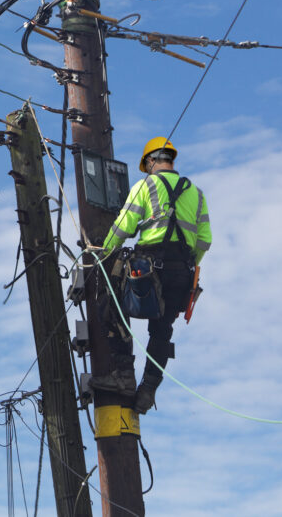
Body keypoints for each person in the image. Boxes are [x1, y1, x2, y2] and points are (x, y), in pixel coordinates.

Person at [94, 136, 212, 414]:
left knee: (111, 303)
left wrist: (102, 253)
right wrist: (187, 264)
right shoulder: (196, 192)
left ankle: (123, 375)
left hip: (148, 268)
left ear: (150, 162)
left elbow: (124, 225)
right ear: (171, 159)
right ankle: (148, 389)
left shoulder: (146, 185)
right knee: (162, 330)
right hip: (182, 273)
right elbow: (205, 239)